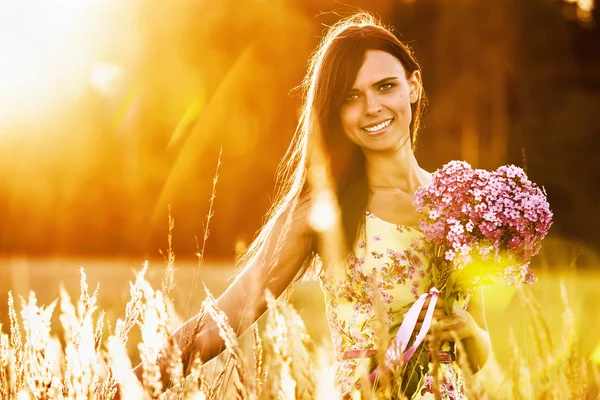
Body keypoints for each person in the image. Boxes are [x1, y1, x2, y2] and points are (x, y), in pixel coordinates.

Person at [129, 12, 491, 399]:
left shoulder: (460, 202)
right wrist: (117, 389)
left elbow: (480, 350)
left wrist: (468, 332)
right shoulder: (320, 210)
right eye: (351, 96)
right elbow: (218, 322)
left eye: (386, 87)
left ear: (413, 86)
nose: (372, 107)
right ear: (334, 110)